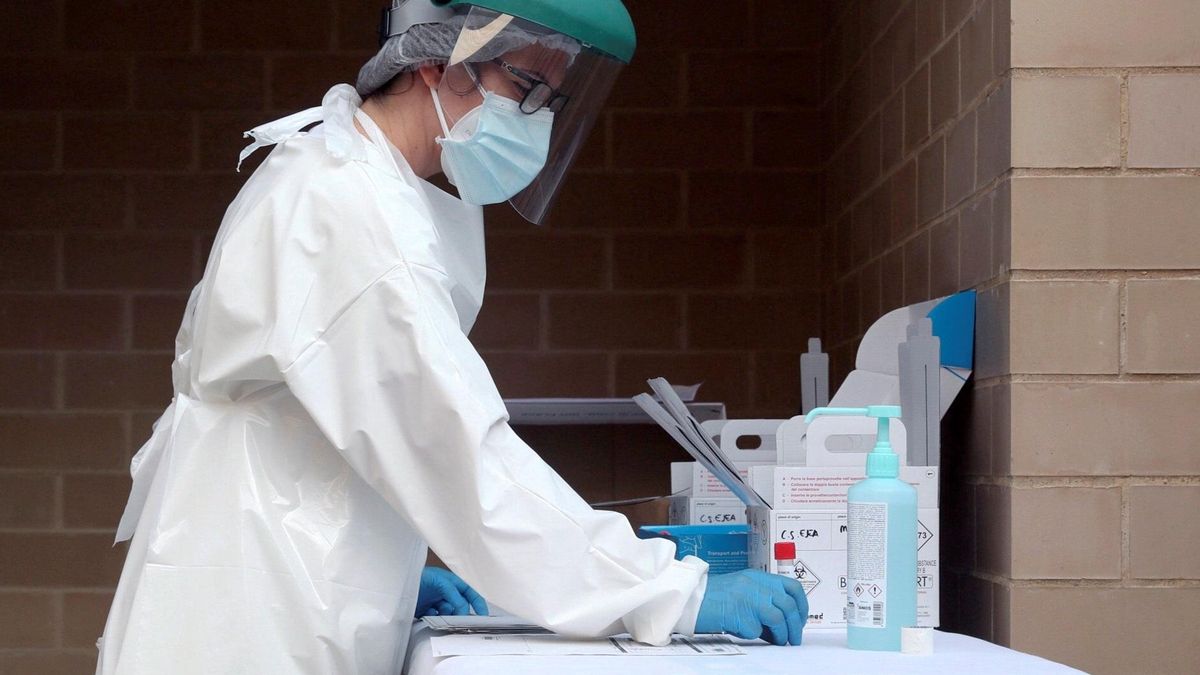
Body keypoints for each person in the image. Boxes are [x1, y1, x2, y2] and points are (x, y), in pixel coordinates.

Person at [96, 1, 807, 672]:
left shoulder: (338, 170)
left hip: (263, 585)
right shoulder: (349, 210)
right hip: (250, 622)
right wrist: (663, 593)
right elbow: (459, 456)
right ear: (436, 63)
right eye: (524, 86)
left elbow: (333, 432)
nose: (535, 119)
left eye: (552, 100)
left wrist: (388, 574)